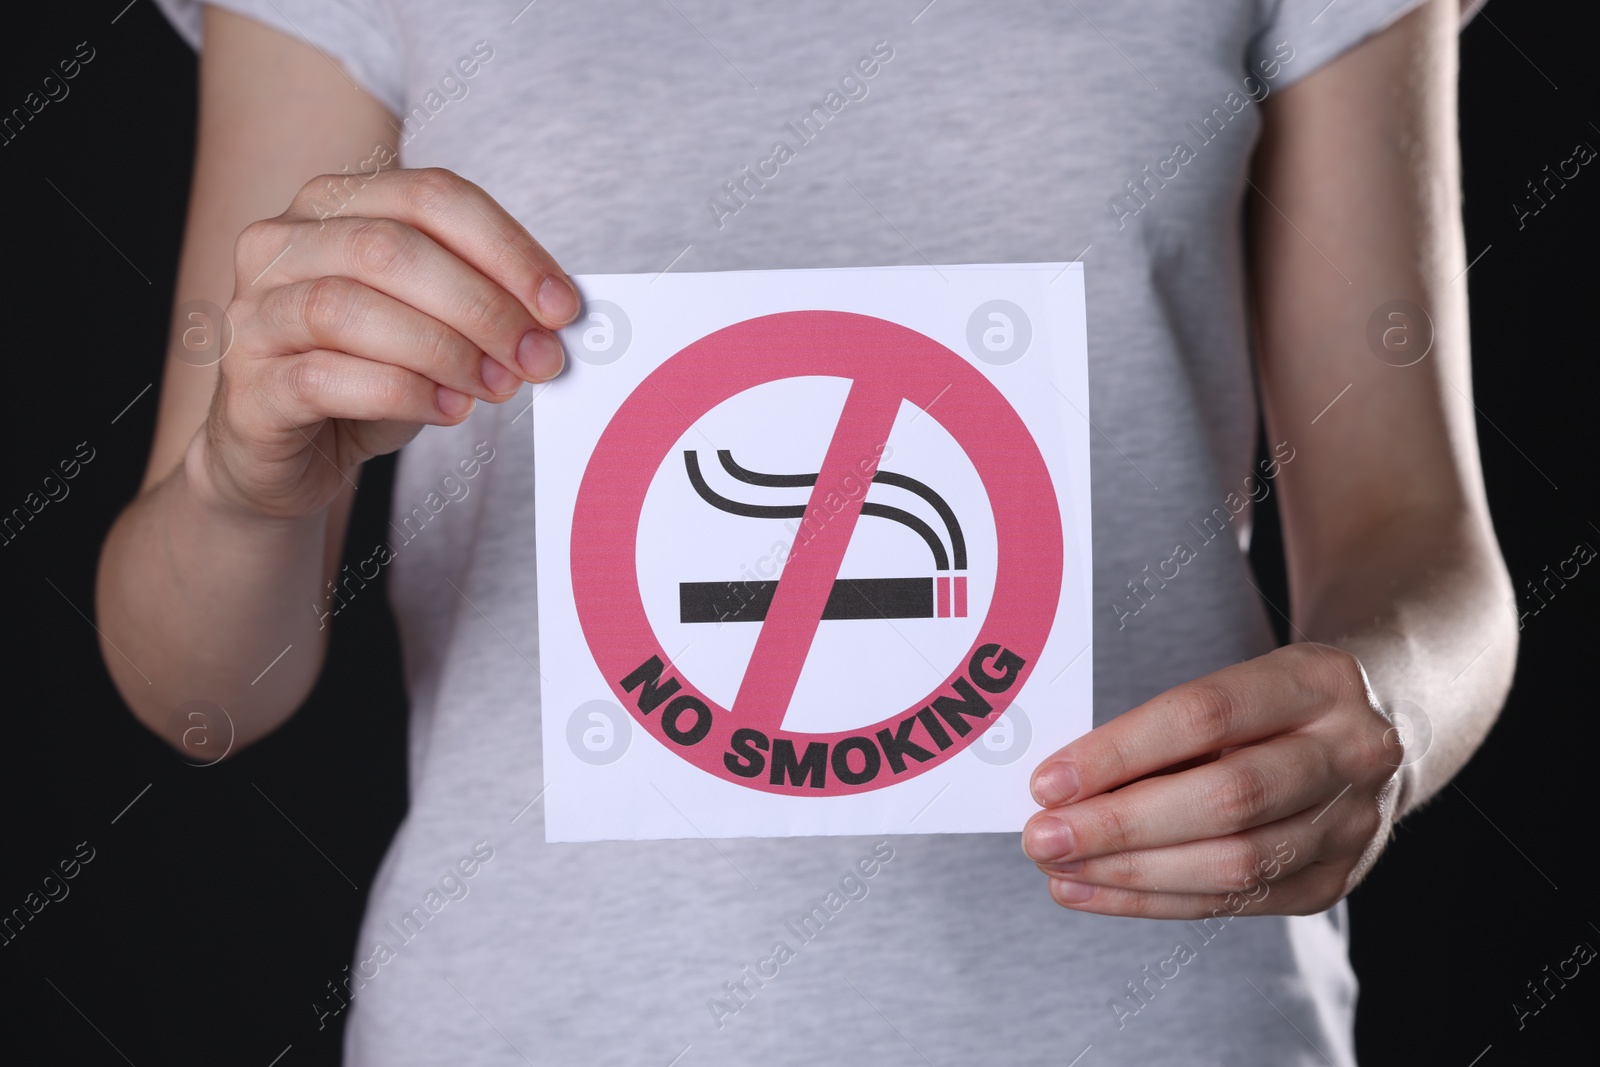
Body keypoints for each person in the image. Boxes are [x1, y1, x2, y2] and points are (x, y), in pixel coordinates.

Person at [98, 0, 1514, 1062]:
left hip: (1157, 1021)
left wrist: (1381, 721)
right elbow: (207, 691)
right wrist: (243, 480)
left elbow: (1419, 536)